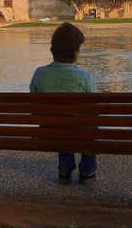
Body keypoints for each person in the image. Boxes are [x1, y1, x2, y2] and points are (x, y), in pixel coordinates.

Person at [29, 22, 97, 185]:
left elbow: (33, 105)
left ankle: (65, 169)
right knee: (91, 124)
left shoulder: (39, 73)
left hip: (51, 131)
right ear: (75, 52)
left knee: (59, 120)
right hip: (81, 131)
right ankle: (87, 170)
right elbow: (96, 108)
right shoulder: (84, 76)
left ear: (53, 49)